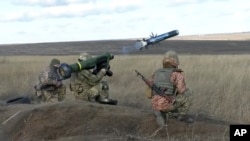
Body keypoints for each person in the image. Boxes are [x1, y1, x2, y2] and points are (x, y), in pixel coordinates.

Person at [147, 50, 194, 126]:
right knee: (189, 92)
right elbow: (182, 90)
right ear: (175, 61)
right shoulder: (176, 74)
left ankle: (160, 112)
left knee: (164, 101)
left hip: (155, 104)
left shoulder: (156, 72)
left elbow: (148, 93)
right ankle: (181, 115)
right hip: (167, 104)